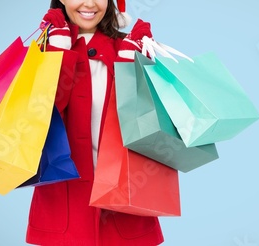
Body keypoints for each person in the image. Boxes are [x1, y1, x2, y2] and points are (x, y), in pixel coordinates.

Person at [25, 0, 164, 245]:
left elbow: (147, 130)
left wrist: (130, 68)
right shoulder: (45, 49)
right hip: (63, 212)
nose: (89, 3)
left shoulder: (127, 48)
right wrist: (58, 53)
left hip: (124, 210)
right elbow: (38, 122)